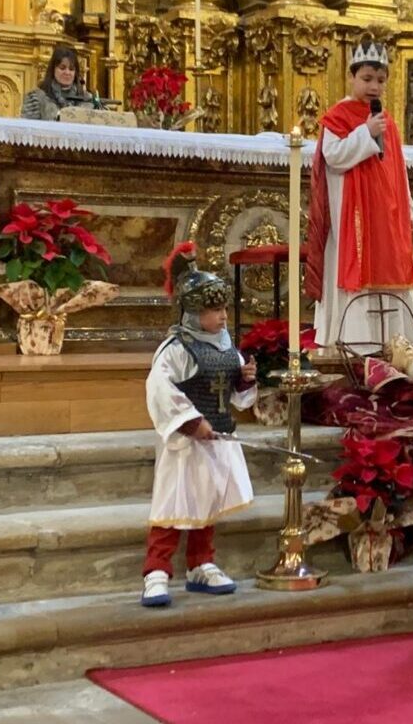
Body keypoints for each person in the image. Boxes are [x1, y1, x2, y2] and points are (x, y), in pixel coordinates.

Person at [141, 242, 257, 608]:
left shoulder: (225, 346)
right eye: (214, 310)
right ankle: (156, 571)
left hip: (218, 439)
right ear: (193, 312)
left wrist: (245, 380)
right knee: (173, 504)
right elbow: (159, 388)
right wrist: (191, 422)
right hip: (186, 445)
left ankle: (201, 564)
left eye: (224, 309)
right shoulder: (176, 349)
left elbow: (236, 395)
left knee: (208, 501)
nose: (223, 317)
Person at [305, 39, 413, 351]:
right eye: (367, 78)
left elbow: (397, 167)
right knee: (355, 263)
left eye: (380, 80)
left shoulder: (386, 120)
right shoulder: (338, 116)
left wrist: (408, 206)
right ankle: (355, 339)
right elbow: (333, 156)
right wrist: (365, 133)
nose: (374, 87)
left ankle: (394, 341)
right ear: (351, 77)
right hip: (352, 213)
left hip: (385, 213)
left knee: (391, 264)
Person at [20, 44, 95, 121]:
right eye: (62, 68)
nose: (67, 72)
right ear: (53, 69)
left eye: (71, 69)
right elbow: (28, 126)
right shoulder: (36, 98)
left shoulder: (87, 99)